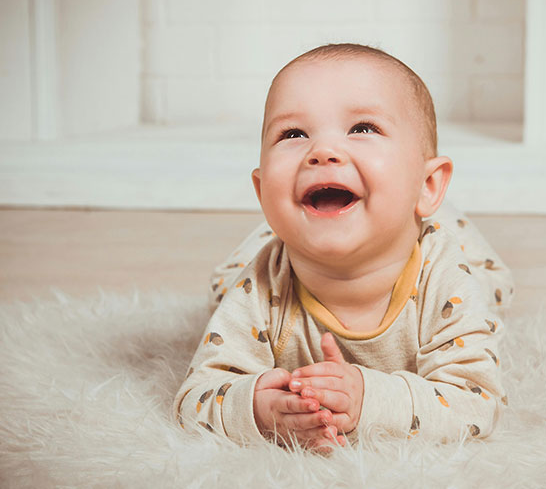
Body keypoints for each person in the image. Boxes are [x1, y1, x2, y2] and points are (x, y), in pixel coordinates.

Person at [173, 43, 514, 450]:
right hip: (284, 235)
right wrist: (258, 410)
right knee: (225, 286)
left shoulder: (446, 278)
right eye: (293, 134)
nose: (322, 151)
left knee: (492, 288)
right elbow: (196, 398)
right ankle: (286, 223)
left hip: (443, 240)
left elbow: (476, 403)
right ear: (263, 192)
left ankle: (433, 209)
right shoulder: (262, 286)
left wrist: (369, 398)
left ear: (428, 184)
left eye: (362, 129)